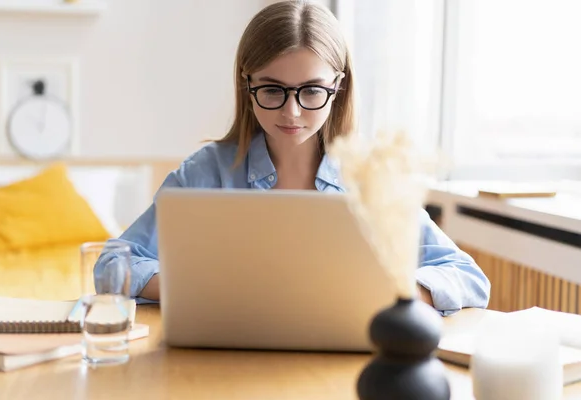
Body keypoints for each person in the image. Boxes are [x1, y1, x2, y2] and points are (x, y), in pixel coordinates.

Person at [94, 0, 490, 316]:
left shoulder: (370, 179)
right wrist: (205, 291)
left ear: (339, 86)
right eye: (272, 90)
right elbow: (112, 264)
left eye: (312, 91)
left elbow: (468, 277)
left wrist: (389, 295)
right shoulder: (205, 171)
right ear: (245, 84)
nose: (292, 113)